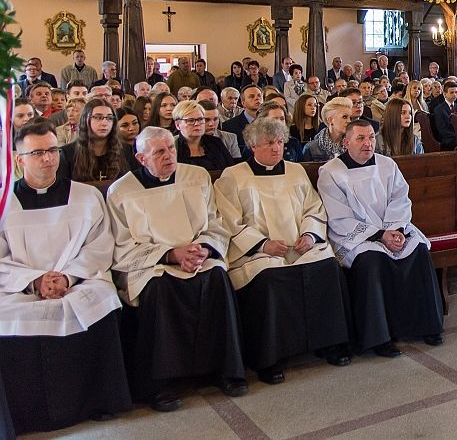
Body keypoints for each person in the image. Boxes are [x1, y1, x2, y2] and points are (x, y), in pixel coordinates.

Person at [0, 120, 131, 434]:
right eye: (38, 153)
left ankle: (98, 402)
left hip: (78, 280)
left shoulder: (86, 196)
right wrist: (35, 281)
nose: (48, 158)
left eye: (53, 150)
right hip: (20, 287)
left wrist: (68, 278)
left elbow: (100, 245)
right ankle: (24, 414)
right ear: (19, 159)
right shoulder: (4, 203)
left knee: (101, 301)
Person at [107, 127, 247, 410]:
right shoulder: (121, 191)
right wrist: (171, 255)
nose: (169, 156)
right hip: (153, 264)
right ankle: (160, 385)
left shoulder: (196, 176)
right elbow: (122, 245)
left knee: (217, 276)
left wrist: (204, 248)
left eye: (171, 148)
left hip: (198, 255)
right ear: (141, 158)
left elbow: (214, 221)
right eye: (159, 152)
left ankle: (225, 371)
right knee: (159, 288)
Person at [214, 118, 353, 384]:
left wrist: (310, 235)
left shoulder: (295, 171)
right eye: (269, 143)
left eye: (279, 142)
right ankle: (269, 358)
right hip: (258, 251)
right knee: (270, 277)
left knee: (327, 267)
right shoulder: (233, 176)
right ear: (252, 145)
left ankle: (329, 343)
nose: (276, 148)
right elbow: (229, 220)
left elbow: (313, 207)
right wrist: (262, 244)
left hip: (299, 244)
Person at [318, 120, 445, 356]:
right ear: (346, 142)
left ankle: (427, 325)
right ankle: (380, 337)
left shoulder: (387, 164)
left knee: (417, 251)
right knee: (372, 260)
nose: (368, 143)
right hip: (356, 237)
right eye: (360, 138)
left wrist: (394, 230)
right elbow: (338, 217)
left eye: (371, 138)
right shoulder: (331, 172)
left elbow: (401, 199)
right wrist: (379, 235)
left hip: (391, 228)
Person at [60, 98, 131, 182]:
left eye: (109, 118)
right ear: (86, 119)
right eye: (98, 117)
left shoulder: (127, 150)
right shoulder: (67, 153)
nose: (104, 123)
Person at [173, 100, 233, 171]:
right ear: (178, 125)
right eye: (191, 120)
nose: (197, 124)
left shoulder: (216, 142)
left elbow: (231, 170)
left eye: (200, 119)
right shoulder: (173, 146)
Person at [302, 97, 353, 161]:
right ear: (330, 120)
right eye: (344, 117)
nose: (349, 121)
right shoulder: (311, 148)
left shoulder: (353, 145)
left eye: (350, 118)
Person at [433, 80, 457, 150]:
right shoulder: (438, 109)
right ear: (445, 94)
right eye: (451, 92)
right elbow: (442, 129)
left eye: (456, 92)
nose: (454, 95)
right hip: (447, 139)